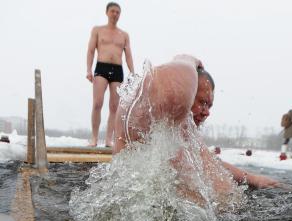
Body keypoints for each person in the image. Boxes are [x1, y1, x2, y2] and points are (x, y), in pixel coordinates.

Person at [113, 55, 279, 192]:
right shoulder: (147, 114)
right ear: (190, 93)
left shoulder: (179, 131)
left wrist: (252, 178)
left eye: (210, 106)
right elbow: (174, 91)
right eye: (202, 102)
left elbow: (206, 159)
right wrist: (187, 59)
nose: (207, 112)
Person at [86, 2, 134, 147]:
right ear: (107, 12)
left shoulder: (124, 35)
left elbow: (129, 56)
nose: (115, 14)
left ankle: (108, 139)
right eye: (112, 11)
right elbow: (90, 51)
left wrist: (132, 72)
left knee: (114, 106)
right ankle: (94, 138)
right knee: (97, 103)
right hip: (102, 67)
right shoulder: (98, 30)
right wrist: (88, 70)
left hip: (118, 69)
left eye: (117, 12)